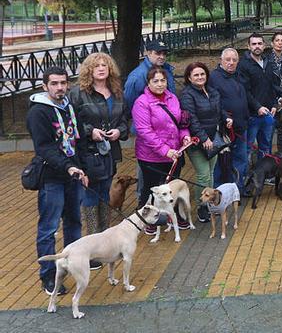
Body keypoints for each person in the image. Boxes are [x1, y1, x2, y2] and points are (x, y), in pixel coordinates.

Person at [28, 67, 88, 295]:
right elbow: (44, 148)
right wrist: (67, 165)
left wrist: (82, 168)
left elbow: (79, 140)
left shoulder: (69, 107)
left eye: (63, 83)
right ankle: (48, 276)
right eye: (54, 83)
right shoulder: (39, 112)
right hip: (52, 177)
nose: (59, 87)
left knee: (74, 223)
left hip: (73, 176)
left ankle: (74, 265)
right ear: (45, 86)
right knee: (49, 228)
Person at [68, 52, 128, 262]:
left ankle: (105, 243)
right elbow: (71, 122)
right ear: (89, 70)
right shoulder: (78, 93)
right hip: (89, 153)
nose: (101, 68)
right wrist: (89, 131)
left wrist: (120, 131)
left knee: (105, 194)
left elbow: (124, 120)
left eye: (105, 65)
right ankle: (92, 247)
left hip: (110, 151)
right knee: (91, 195)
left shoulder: (117, 92)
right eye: (96, 66)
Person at [131, 66, 191, 233]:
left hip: (174, 154)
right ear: (148, 83)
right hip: (151, 157)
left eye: (162, 80)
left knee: (170, 190)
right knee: (151, 189)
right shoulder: (142, 103)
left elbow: (180, 123)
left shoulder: (173, 98)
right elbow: (144, 132)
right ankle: (147, 221)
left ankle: (172, 217)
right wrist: (165, 150)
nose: (159, 84)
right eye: (155, 81)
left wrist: (184, 136)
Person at [180, 62, 231, 195]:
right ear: (189, 78)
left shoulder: (212, 91)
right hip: (197, 142)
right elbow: (192, 119)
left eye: (202, 74)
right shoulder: (187, 94)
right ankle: (202, 208)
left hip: (213, 138)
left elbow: (219, 110)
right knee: (203, 176)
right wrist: (204, 138)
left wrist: (226, 118)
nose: (200, 77)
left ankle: (210, 203)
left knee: (211, 173)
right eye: (196, 75)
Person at [209, 48, 255, 190]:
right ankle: (218, 192)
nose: (231, 63)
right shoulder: (213, 78)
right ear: (221, 61)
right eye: (227, 60)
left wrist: (256, 108)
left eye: (234, 60)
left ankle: (236, 190)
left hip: (241, 126)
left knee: (240, 159)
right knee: (221, 162)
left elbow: (247, 96)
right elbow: (213, 102)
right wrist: (225, 116)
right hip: (223, 129)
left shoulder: (239, 75)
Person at [238, 33, 282, 158]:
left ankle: (265, 175)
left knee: (265, 146)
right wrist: (258, 107)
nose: (257, 46)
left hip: (269, 113)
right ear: (248, 46)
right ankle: (247, 175)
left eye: (259, 43)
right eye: (254, 44)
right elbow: (244, 91)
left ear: (264, 45)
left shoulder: (268, 62)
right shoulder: (243, 65)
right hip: (252, 115)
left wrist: (275, 104)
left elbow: (272, 85)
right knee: (248, 148)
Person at [123, 40, 175, 116]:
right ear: (148, 53)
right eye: (158, 53)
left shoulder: (166, 69)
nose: (162, 57)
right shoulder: (137, 76)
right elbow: (129, 103)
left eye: (164, 54)